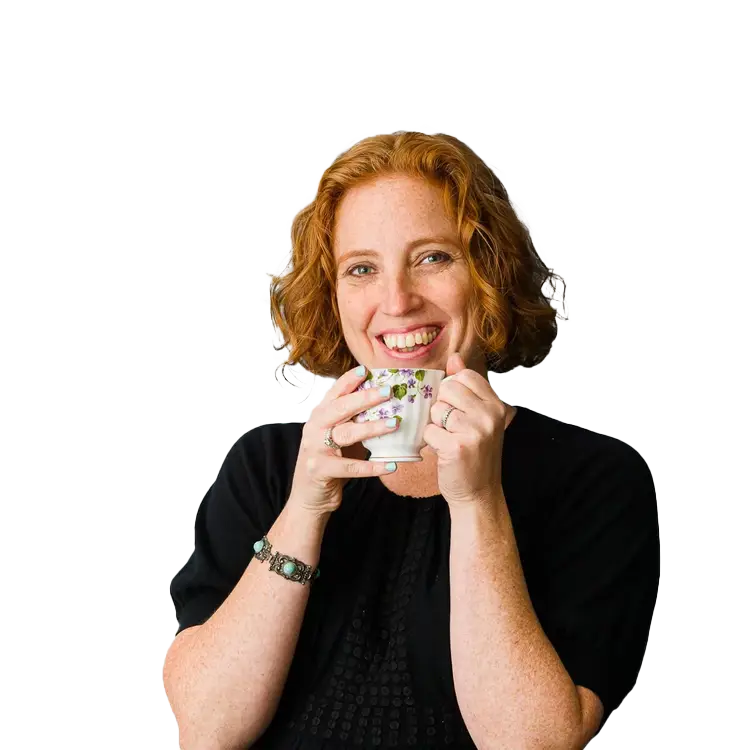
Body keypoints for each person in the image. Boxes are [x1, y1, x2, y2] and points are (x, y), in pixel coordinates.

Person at [163, 129, 660, 750]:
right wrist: (305, 509)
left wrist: (478, 502)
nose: (396, 301)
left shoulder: (595, 478)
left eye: (433, 258)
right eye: (361, 269)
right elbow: (208, 730)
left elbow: (530, 742)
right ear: (333, 293)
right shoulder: (266, 466)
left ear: (489, 274)